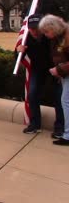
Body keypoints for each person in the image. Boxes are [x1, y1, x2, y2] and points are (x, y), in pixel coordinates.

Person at [16, 14, 64, 136]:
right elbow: (18, 58)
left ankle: (59, 127)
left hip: (54, 69)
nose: (35, 31)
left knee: (59, 97)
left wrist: (58, 69)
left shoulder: (50, 36)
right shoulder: (26, 38)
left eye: (37, 28)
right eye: (32, 28)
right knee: (32, 95)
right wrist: (18, 51)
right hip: (37, 69)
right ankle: (35, 124)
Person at [39, 14, 69, 146]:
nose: (45, 34)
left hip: (66, 73)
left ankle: (68, 135)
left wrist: (59, 70)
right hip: (64, 73)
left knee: (65, 101)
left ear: (53, 28)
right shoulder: (58, 38)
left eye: (46, 31)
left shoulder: (67, 37)